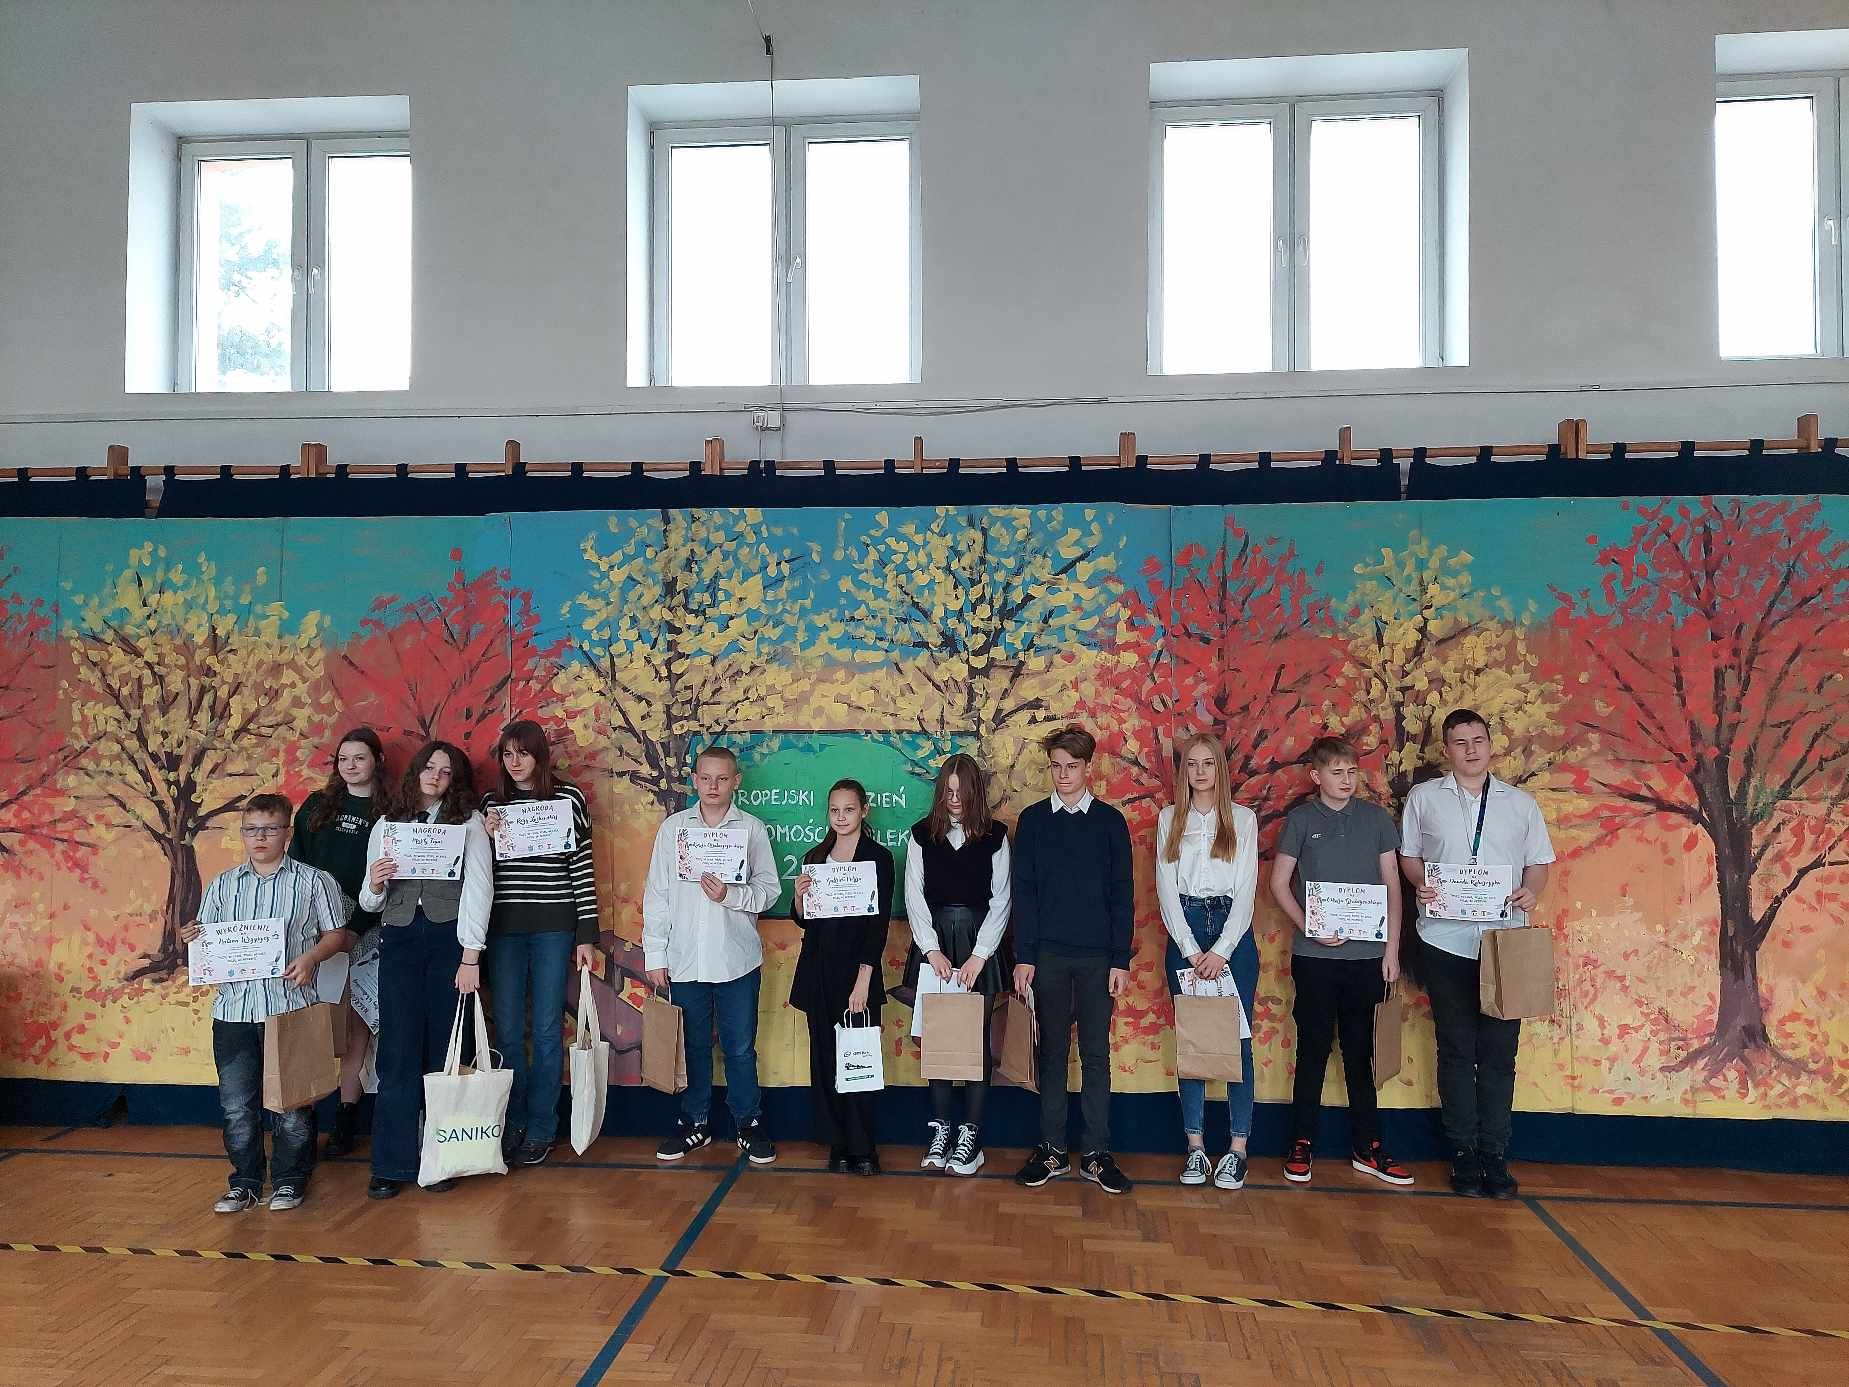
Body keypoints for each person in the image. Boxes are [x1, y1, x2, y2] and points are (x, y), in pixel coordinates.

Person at [1399, 709, 1555, 1200]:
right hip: (1444, 940)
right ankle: (1463, 1154)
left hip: (1504, 942)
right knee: (1455, 1050)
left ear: (1491, 745)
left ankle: (1495, 1154)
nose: (1470, 750)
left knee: (1499, 1055)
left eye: (1478, 740)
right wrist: (1420, 883)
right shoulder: (1424, 798)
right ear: (1446, 749)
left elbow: (1538, 864)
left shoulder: (1520, 804)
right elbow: (1409, 855)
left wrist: (1531, 892)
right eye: (1460, 742)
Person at [181, 793, 350, 1214]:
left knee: (293, 1102)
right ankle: (245, 1182)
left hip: (289, 1006)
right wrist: (194, 938)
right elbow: (209, 940)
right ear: (242, 834)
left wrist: (311, 958)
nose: (260, 837)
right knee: (237, 1107)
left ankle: (290, 1180)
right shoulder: (223, 885)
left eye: (270, 829)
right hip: (234, 1010)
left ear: (287, 833)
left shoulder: (314, 881)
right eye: (252, 830)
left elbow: (337, 934)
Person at [1270, 735, 1412, 1187]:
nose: (1346, 780)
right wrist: (1309, 925)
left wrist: (1392, 949)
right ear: (1316, 776)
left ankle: (1368, 1146)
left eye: (1352, 772)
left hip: (1367, 957)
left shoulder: (1376, 819)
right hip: (1315, 957)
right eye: (1337, 773)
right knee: (1313, 1049)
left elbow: (1392, 885)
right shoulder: (1300, 820)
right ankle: (1301, 1142)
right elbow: (1278, 884)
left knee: (1360, 1052)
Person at [357, 740, 493, 1200]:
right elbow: (369, 901)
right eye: (429, 767)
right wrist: (376, 883)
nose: (435, 776)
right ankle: (390, 1163)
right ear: (415, 771)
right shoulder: (387, 824)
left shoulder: (468, 824)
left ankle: (441, 1156)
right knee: (396, 1050)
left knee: (445, 1049)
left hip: (447, 939)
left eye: (445, 771)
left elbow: (480, 890)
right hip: (397, 940)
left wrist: (471, 956)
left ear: (456, 781)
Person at [1011, 725, 1134, 1195]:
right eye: (1056, 767)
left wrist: (1120, 959)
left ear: (1088, 768)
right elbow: (1024, 893)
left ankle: (1097, 1153)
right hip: (1048, 957)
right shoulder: (1033, 821)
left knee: (1096, 1055)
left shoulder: (1109, 822)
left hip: (1099, 958)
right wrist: (1025, 956)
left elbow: (1122, 894)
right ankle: (1052, 1150)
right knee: (1052, 1053)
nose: (1063, 775)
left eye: (1071, 767)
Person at [645, 746, 781, 1165]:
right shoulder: (674, 830)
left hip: (737, 960)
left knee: (740, 1048)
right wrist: (655, 954)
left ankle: (748, 1123)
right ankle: (695, 1122)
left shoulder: (752, 829)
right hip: (685, 959)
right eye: (705, 778)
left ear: (736, 781)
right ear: (694, 780)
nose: (713, 786)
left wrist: (730, 895)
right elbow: (657, 894)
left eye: (722, 779)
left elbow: (770, 891)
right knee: (694, 1046)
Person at [480, 719, 601, 1167]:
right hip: (503, 929)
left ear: (540, 756)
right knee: (509, 1030)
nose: (515, 763)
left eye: (523, 753)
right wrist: (484, 834)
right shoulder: (491, 804)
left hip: (554, 926)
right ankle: (512, 1122)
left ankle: (542, 1127)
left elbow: (582, 867)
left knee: (549, 1028)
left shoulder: (568, 798)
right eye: (507, 754)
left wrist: (586, 934)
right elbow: (478, 872)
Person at [1153, 733, 1259, 1190]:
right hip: (1187, 928)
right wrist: (1191, 949)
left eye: (1207, 763)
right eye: (1191, 764)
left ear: (1220, 769)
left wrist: (1222, 951)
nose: (1199, 772)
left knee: (1238, 1041)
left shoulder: (1243, 819)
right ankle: (1195, 1146)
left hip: (1231, 931)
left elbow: (1247, 888)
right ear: (1184, 772)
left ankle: (1237, 1148)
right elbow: (1165, 888)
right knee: (1193, 1040)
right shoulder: (1169, 819)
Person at [903, 753, 1010, 1176]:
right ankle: (941, 1130)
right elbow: (914, 896)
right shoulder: (920, 835)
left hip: (979, 947)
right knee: (939, 1037)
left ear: (974, 793)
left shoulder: (996, 837)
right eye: (947, 791)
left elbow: (1001, 900)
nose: (953, 799)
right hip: (936, 947)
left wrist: (980, 956)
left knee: (975, 1040)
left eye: (960, 792)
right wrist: (932, 951)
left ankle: (972, 1137)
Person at [289, 727, 390, 1160]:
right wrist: (313, 927)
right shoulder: (317, 806)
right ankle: (303, 1120)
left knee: (358, 1024)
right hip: (316, 930)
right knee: (313, 1023)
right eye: (343, 759)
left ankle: (347, 1117)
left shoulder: (392, 811)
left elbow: (393, 877)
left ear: (377, 761)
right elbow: (295, 867)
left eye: (359, 758)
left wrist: (357, 927)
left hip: (368, 929)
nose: (350, 766)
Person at [790, 780, 895, 1176]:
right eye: (834, 810)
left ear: (864, 811)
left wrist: (864, 980)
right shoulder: (815, 857)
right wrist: (798, 897)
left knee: (859, 1060)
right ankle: (837, 1144)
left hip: (858, 973)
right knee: (825, 1060)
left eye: (849, 809)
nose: (841, 817)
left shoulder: (879, 859)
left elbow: (878, 926)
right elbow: (806, 920)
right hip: (818, 972)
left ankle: (863, 1148)